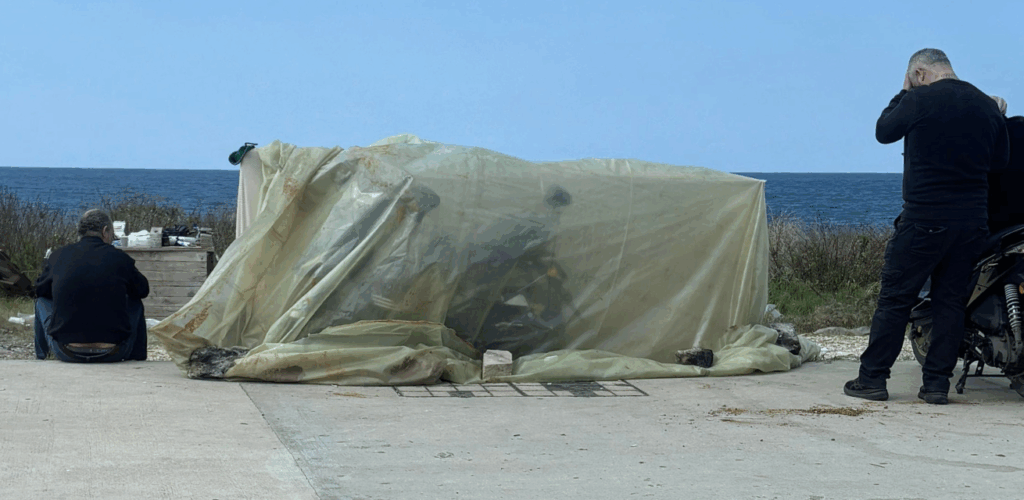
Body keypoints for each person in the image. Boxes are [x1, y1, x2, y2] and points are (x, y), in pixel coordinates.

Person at [845, 48, 1010, 404]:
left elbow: (884, 131)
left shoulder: (918, 99)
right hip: (971, 224)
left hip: (924, 219)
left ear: (920, 72)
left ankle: (872, 379)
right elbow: (1001, 162)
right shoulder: (987, 104)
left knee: (895, 299)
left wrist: (904, 91)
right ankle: (936, 385)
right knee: (949, 302)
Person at [34, 209, 150, 362]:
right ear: (105, 231)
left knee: (41, 302)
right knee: (135, 303)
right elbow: (143, 290)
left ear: (80, 232)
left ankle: (42, 356)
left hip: (66, 351)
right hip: (114, 352)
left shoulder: (59, 256)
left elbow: (39, 290)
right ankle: (138, 356)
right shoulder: (120, 258)